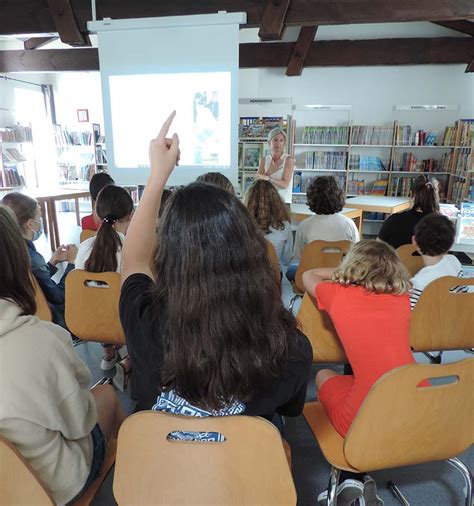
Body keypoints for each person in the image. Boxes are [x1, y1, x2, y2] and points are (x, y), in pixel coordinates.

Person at [119, 112, 312, 433]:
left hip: (158, 474)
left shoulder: (145, 319)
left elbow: (133, 262)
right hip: (241, 475)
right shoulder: (288, 346)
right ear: (251, 251)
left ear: (167, 256)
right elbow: (289, 408)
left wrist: (157, 176)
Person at [0, 205, 125, 504]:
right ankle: (130, 477)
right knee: (106, 396)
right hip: (54, 487)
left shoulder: (85, 247)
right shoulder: (40, 341)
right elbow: (80, 421)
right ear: (18, 263)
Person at [303, 240, 415, 505]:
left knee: (323, 376)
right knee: (361, 382)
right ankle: (356, 480)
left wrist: (345, 272)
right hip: (413, 405)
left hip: (364, 413)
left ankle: (349, 478)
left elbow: (308, 275)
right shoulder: (402, 297)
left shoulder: (337, 294)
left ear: (352, 266)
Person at [75, 185, 134, 374]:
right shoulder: (132, 249)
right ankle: (132, 358)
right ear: (131, 215)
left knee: (101, 295)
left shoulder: (84, 247)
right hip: (124, 323)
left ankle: (108, 354)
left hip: (90, 320)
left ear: (97, 215)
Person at [2, 192, 77, 328]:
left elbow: (36, 283)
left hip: (17, 316)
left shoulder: (9, 251)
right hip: (50, 319)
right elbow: (59, 297)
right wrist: (72, 264)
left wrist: (52, 262)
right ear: (30, 224)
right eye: (39, 219)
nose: (40, 223)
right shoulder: (32, 257)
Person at [287, 176, 359, 281]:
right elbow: (356, 256)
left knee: (291, 269)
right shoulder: (349, 224)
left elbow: (298, 258)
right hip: (341, 278)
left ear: (311, 198)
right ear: (339, 197)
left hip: (312, 278)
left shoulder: (304, 225)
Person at [409, 213, 463, 309]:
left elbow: (412, 315)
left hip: (427, 323)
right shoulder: (454, 262)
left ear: (414, 241)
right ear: (451, 245)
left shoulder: (418, 283)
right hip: (458, 320)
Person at [378, 175, 440, 249]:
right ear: (436, 196)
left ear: (411, 194)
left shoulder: (394, 220)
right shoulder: (442, 225)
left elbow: (377, 249)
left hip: (398, 260)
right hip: (429, 261)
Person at [245, 179, 293, 266]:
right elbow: (287, 260)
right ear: (276, 201)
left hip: (248, 276)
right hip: (274, 276)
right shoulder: (285, 226)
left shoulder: (242, 225)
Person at [256, 127, 294, 204]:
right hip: (266, 200)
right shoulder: (264, 160)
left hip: (282, 202)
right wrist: (270, 171)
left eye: (281, 140)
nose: (278, 143)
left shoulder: (288, 159)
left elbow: (285, 184)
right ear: (269, 142)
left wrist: (268, 178)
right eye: (275, 140)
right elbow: (257, 182)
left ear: (284, 143)